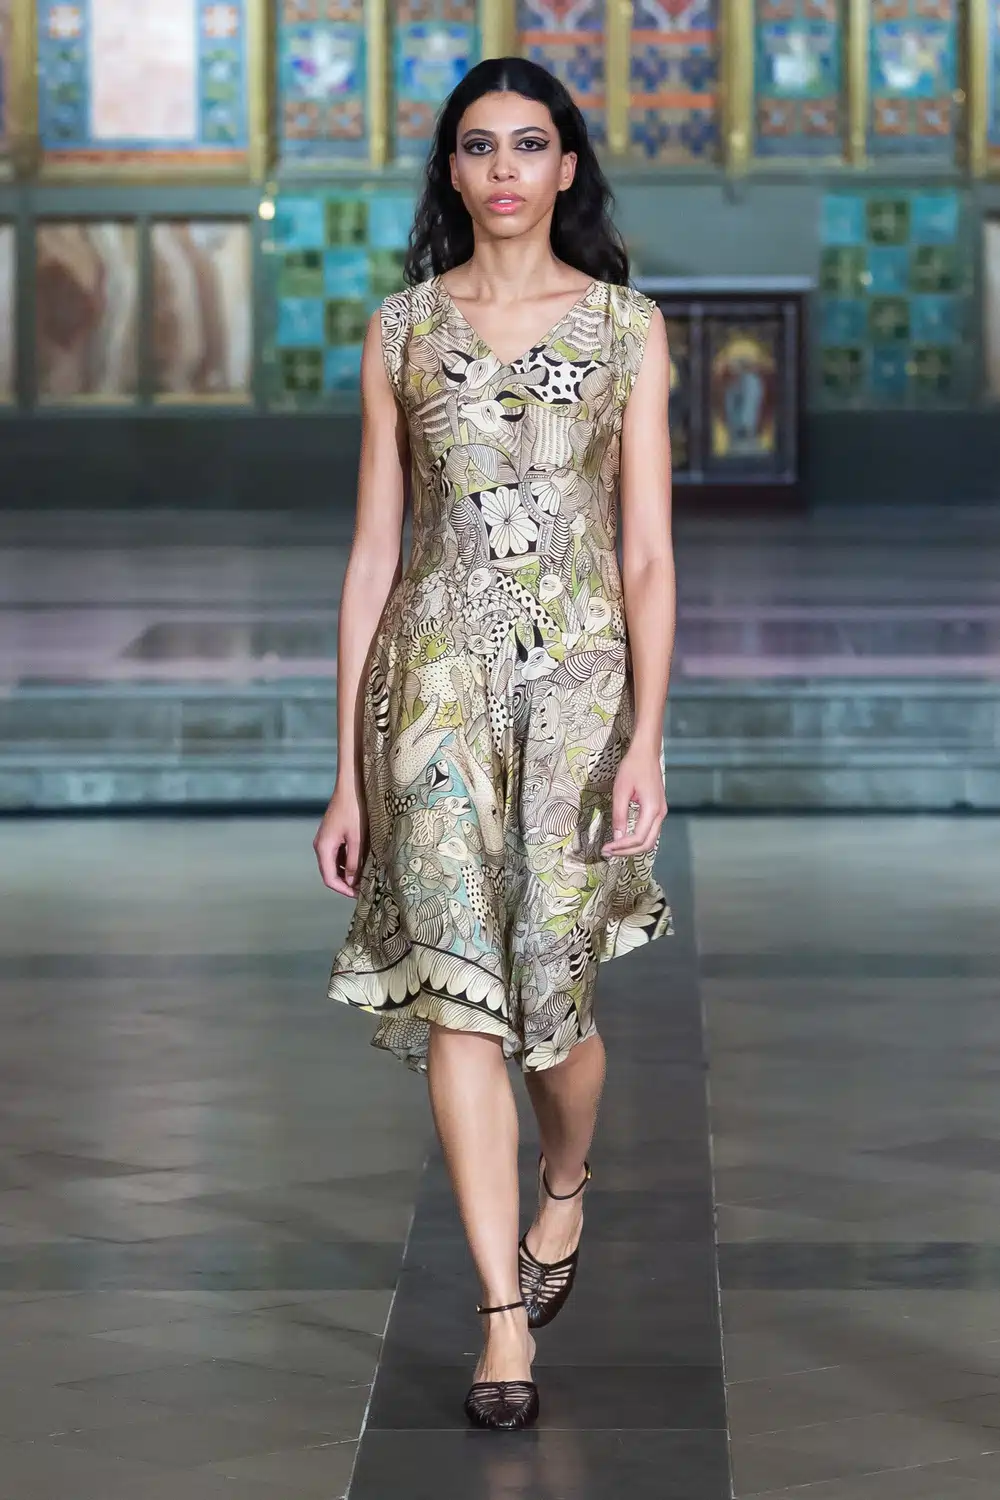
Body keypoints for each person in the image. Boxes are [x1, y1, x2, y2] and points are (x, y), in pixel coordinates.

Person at [313, 56, 675, 1432]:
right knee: (462, 1001)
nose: (506, 168)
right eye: (480, 145)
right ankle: (500, 1319)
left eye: (531, 144)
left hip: (579, 701)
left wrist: (648, 739)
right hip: (433, 700)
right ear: (452, 171)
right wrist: (344, 772)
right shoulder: (403, 328)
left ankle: (565, 1180)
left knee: (552, 1012)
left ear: (567, 168)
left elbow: (647, 554)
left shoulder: (628, 329)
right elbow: (372, 555)